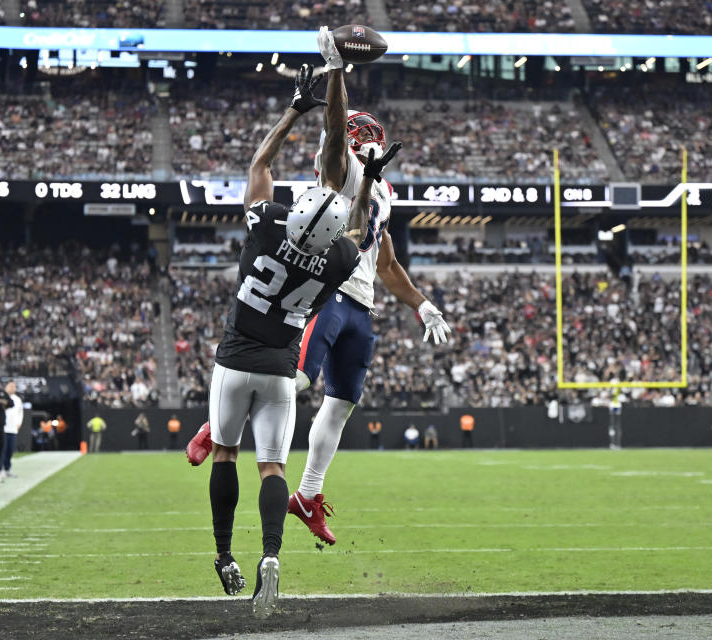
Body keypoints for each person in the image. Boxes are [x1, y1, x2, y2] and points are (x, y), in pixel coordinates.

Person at [188, 30, 448, 549]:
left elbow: (386, 259)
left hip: (364, 306)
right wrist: (336, 75)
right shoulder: (341, 169)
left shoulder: (382, 192)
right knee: (294, 381)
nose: (370, 138)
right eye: (363, 132)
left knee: (343, 402)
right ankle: (216, 425)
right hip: (328, 297)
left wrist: (422, 304)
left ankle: (307, 495)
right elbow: (333, 132)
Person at [203, 64, 399, 619]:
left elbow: (259, 163)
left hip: (235, 357)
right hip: (279, 371)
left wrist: (295, 109)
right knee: (273, 469)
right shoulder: (337, 261)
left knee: (225, 451)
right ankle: (271, 557)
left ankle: (224, 554)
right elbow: (359, 234)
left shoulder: (266, 225)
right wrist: (370, 184)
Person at [1, 381, 23, 478]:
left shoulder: (18, 400)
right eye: (11, 386)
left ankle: (7, 469)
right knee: (2, 450)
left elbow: (20, 413)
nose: (13, 388)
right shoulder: (1, 397)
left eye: (14, 386)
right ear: (6, 387)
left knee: (10, 450)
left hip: (13, 428)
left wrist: (18, 424)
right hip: (3, 428)